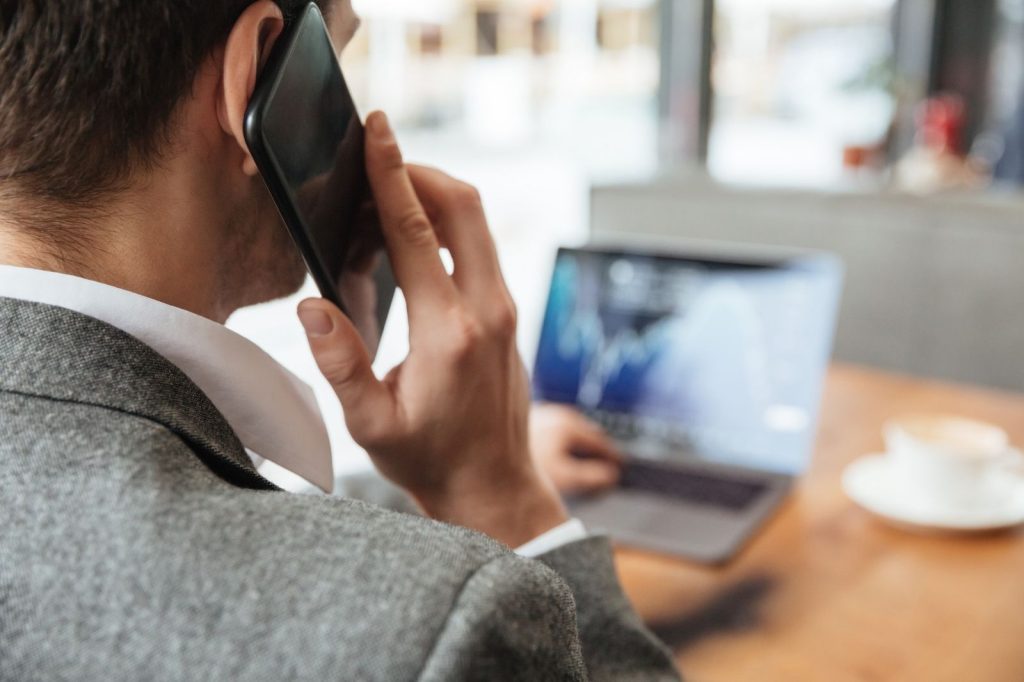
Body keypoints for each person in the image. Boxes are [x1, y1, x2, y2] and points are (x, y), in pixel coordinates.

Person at [0, 1, 682, 680]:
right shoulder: (444, 624)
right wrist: (498, 494)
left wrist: (407, 486)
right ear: (255, 71)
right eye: (337, 59)